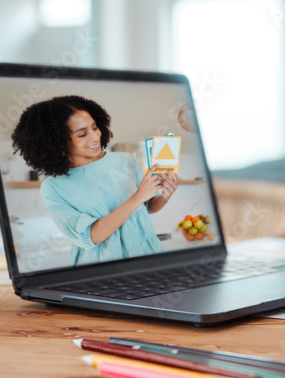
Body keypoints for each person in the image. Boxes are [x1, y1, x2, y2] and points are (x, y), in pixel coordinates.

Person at [10, 95, 176, 265]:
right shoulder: (53, 187)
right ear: (57, 142)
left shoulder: (126, 160)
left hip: (148, 254)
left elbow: (148, 207)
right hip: (101, 268)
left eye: (95, 127)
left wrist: (165, 195)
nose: (95, 137)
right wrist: (137, 197)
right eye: (82, 134)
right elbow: (90, 237)